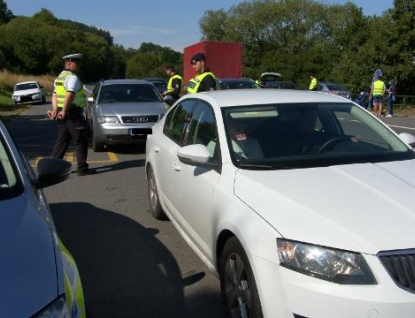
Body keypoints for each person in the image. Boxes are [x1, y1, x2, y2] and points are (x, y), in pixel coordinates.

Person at [50, 53, 95, 176]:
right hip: (73, 114)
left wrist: (56, 110)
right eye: (77, 63)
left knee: (62, 141)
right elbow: (70, 95)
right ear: (69, 64)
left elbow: (54, 94)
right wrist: (64, 111)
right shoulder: (72, 78)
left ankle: (53, 168)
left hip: (63, 114)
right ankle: (82, 168)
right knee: (81, 140)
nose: (79, 66)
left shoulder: (60, 77)